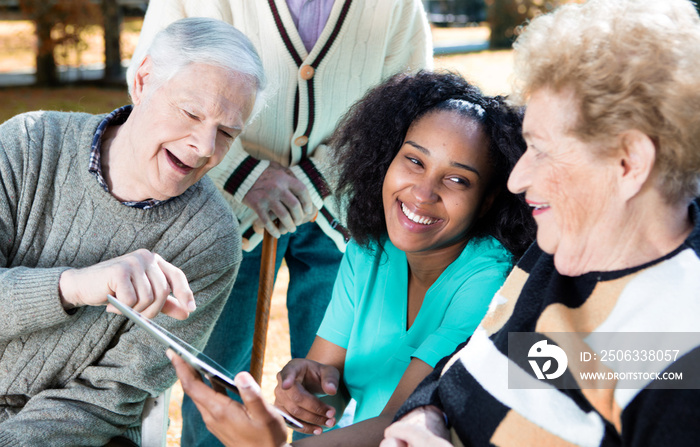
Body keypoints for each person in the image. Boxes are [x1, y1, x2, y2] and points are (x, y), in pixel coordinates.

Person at [378, 0, 700, 446]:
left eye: (542, 150)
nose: (517, 178)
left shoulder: (679, 352)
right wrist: (424, 415)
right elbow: (483, 358)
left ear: (629, 163)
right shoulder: (558, 246)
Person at [168, 70, 537, 447]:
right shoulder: (371, 248)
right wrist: (308, 391)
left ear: (488, 199)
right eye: (414, 161)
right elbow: (331, 379)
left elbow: (403, 422)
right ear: (386, 159)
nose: (423, 192)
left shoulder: (492, 280)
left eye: (457, 180)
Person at [126, 2, 433, 445]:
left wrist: (317, 178)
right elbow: (150, 76)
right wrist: (243, 174)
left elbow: (409, 100)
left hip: (342, 215)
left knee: (330, 394)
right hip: (223, 211)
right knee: (219, 393)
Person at [0, 17, 265, 446]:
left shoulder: (211, 240)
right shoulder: (28, 144)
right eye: (191, 113)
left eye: (227, 133)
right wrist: (75, 286)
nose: (204, 147)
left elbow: (108, 398)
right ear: (142, 81)